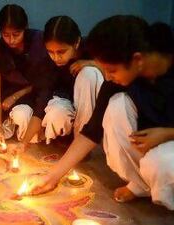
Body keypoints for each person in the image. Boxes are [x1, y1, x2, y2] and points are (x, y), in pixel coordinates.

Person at [31, 15, 174, 210]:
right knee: (116, 105)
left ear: (137, 59)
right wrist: (52, 176)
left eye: (111, 70)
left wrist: (167, 134)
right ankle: (140, 184)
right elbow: (92, 130)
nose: (107, 76)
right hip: (154, 140)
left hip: (167, 141)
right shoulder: (116, 81)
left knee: (159, 164)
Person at [12, 15, 104, 153]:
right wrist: (23, 144)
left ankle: (82, 143)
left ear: (77, 42)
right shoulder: (48, 65)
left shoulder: (93, 48)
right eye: (51, 52)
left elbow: (122, 67)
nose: (56, 57)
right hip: (66, 105)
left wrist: (92, 63)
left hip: (96, 111)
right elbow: (42, 103)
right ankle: (67, 140)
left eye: (61, 52)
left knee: (89, 73)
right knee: (56, 113)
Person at [0, 4, 49, 145]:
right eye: (6, 35)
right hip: (7, 98)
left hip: (35, 95)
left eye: (16, 34)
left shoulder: (39, 42)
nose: (11, 40)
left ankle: (24, 131)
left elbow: (45, 83)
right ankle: (8, 128)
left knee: (23, 118)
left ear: (25, 28)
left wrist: (16, 96)